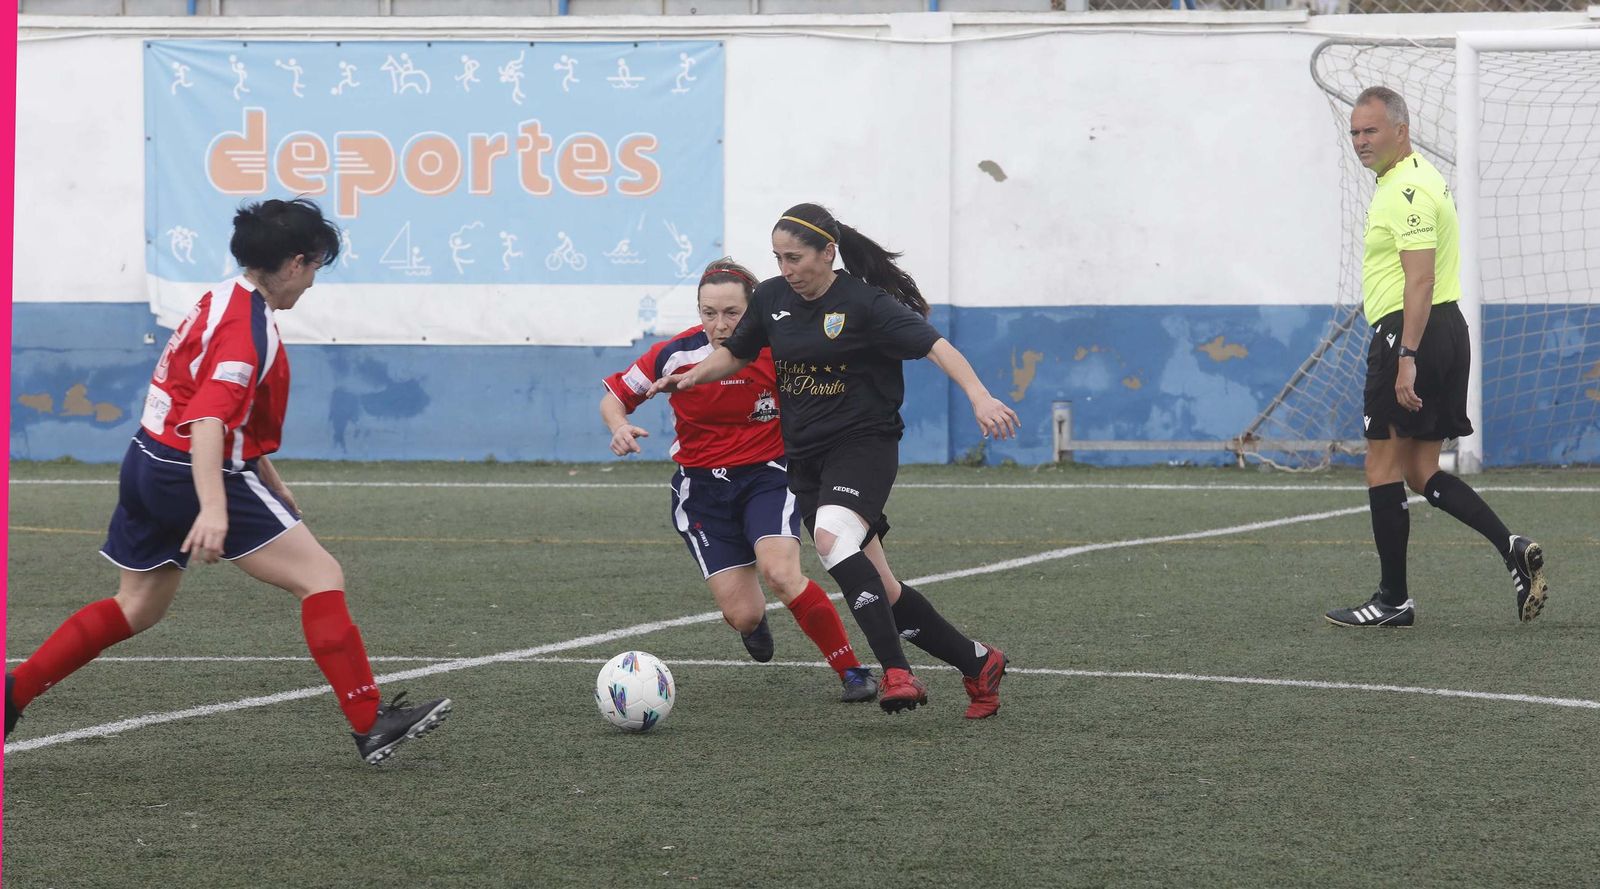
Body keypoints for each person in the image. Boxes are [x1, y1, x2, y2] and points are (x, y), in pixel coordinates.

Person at [4, 199, 452, 764]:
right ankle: (371, 721)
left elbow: (212, 405)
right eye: (314, 268)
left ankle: (12, 696)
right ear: (294, 262)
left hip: (146, 458)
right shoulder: (249, 330)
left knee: (137, 605)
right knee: (320, 576)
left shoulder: (222, 296)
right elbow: (211, 420)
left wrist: (267, 473)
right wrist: (213, 508)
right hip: (190, 471)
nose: (312, 283)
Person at [650, 204, 1019, 718]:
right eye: (778, 258)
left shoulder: (866, 304)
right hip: (807, 459)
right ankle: (978, 662)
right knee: (881, 587)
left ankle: (896, 672)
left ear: (828, 252)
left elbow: (936, 346)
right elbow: (736, 351)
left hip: (864, 445)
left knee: (829, 539)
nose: (785, 270)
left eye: (795, 258)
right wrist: (693, 377)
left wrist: (980, 396)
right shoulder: (774, 299)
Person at [601, 257, 879, 704]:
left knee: (781, 574)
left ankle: (851, 670)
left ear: (753, 311)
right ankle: (753, 624)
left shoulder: (780, 350)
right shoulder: (674, 353)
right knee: (743, 615)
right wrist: (618, 425)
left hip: (768, 477)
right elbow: (616, 397)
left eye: (732, 313)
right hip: (702, 493)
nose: (719, 324)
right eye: (709, 312)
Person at [1325, 87, 1548, 628]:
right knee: (1422, 470)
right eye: (1354, 132)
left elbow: (1419, 279)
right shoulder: (1418, 176)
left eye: (1370, 130)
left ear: (1401, 130)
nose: (1360, 141)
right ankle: (1510, 546)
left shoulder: (1406, 191)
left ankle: (1392, 600)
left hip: (1412, 332)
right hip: (1446, 330)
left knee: (1380, 465)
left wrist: (1406, 356)